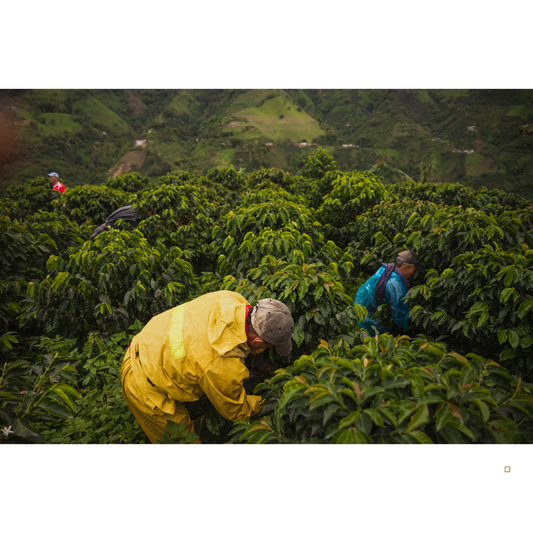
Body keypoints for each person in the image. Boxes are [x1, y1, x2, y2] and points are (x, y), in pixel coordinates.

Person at [121, 290, 294, 447]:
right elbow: (236, 410)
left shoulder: (231, 299)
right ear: (257, 342)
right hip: (142, 384)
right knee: (185, 443)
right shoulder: (222, 364)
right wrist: (271, 403)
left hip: (146, 341)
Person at [354, 250, 425, 335]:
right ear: (405, 268)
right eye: (414, 270)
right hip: (372, 322)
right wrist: (413, 328)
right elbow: (399, 316)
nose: (414, 273)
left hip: (361, 311)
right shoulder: (396, 285)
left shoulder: (385, 270)